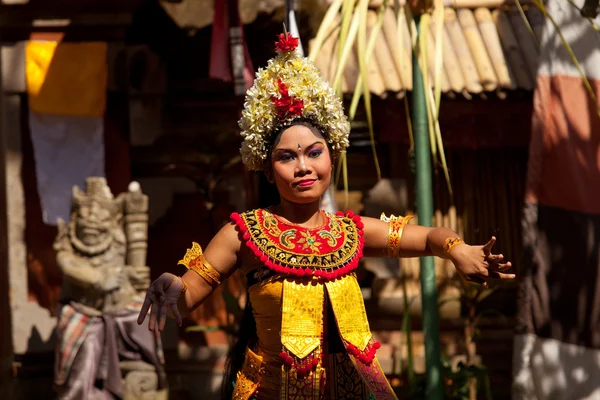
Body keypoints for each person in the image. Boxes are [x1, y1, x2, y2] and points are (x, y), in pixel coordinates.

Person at [137, 31, 514, 400]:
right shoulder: (245, 233)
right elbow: (188, 296)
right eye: (287, 157)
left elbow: (428, 237)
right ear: (268, 171)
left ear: (331, 157)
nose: (303, 167)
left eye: (313, 153)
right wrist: (174, 286)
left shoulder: (352, 231)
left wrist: (456, 248)